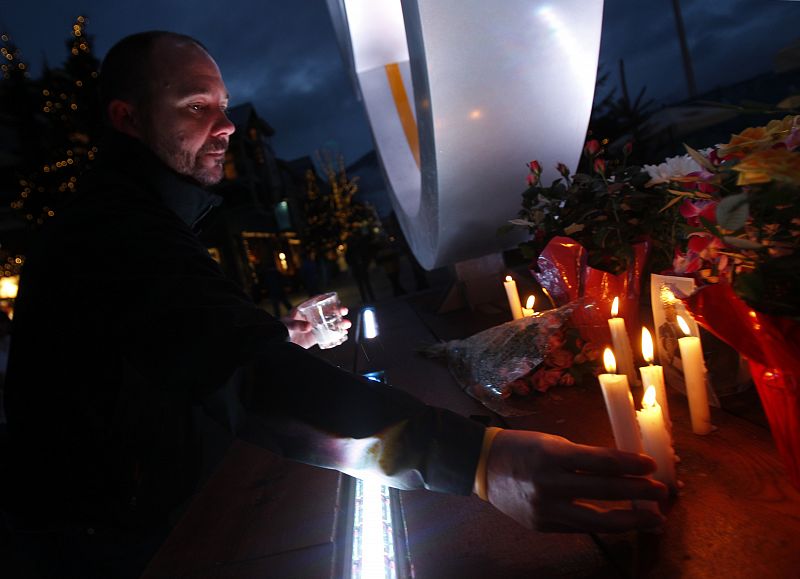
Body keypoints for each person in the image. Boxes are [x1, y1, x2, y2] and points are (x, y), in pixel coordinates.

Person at [2, 31, 666, 578]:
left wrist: (278, 337)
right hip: (109, 549)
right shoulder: (113, 231)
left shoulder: (131, 218)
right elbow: (243, 376)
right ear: (128, 117)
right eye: (196, 105)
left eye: (225, 104)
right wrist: (482, 461)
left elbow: (181, 359)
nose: (227, 125)